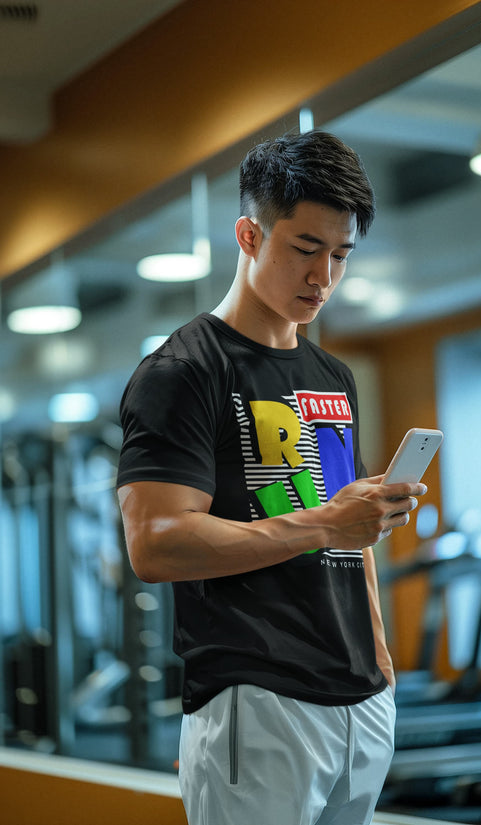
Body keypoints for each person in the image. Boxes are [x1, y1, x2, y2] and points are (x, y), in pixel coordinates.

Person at [116, 130, 427, 825]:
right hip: (258, 698)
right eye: (305, 249)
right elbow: (155, 544)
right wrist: (324, 522)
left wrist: (378, 656)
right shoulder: (184, 370)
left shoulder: (331, 375)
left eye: (341, 254)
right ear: (249, 235)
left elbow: (347, 525)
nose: (323, 276)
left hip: (360, 697)